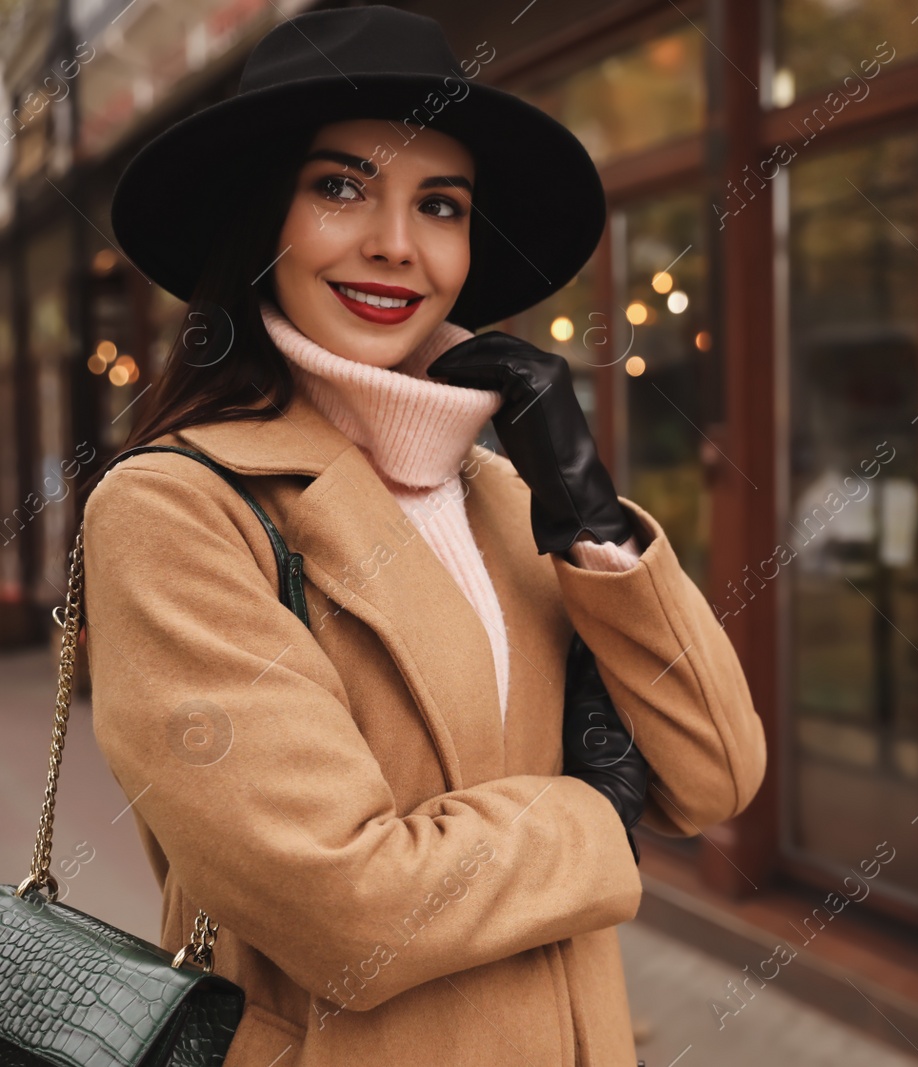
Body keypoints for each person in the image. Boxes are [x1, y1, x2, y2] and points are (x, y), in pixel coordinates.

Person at [80, 8, 765, 1065]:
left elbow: (715, 775)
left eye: (439, 204)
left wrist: (584, 511)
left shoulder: (499, 491)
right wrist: (593, 816)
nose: (396, 243)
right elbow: (348, 905)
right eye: (341, 186)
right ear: (263, 217)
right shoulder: (179, 507)